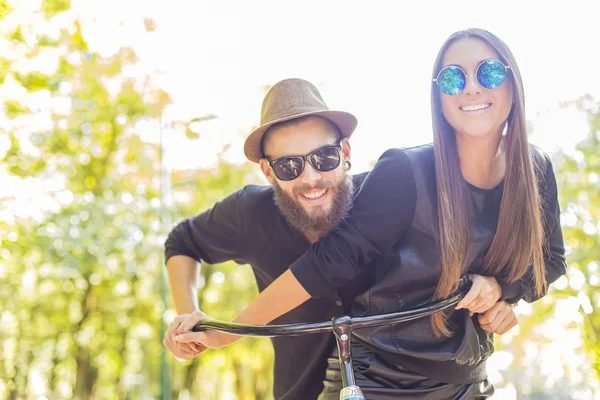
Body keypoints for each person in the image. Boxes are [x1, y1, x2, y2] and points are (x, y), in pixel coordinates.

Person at [172, 29, 567, 399]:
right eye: (289, 166)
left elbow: (548, 261)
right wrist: (217, 329)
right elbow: (327, 262)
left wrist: (502, 290)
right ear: (267, 170)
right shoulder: (257, 210)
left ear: (345, 152)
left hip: (460, 376)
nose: (311, 177)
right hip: (356, 379)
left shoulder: (386, 189)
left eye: (323, 157)